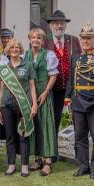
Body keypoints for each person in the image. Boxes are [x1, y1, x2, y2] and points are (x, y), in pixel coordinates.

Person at [65, 22, 94, 179]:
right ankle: (83, 165)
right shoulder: (76, 58)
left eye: (88, 38)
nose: (85, 41)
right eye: (83, 38)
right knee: (80, 135)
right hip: (78, 101)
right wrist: (67, 97)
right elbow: (71, 79)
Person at [0, 39, 37, 177]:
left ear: (20, 50)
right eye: (12, 47)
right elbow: (1, 89)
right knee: (10, 136)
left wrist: (34, 105)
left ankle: (24, 166)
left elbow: (32, 87)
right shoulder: (4, 68)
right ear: (8, 50)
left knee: (24, 135)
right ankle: (11, 164)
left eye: (17, 47)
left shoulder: (28, 65)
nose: (15, 49)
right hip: (7, 105)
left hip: (23, 105)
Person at [26, 28, 58, 175]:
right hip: (30, 95)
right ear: (30, 40)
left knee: (46, 126)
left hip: (43, 93)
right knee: (35, 126)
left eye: (38, 38)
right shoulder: (25, 55)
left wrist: (45, 92)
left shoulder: (48, 55)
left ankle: (48, 162)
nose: (35, 40)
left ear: (43, 40)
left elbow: (53, 75)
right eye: (33, 38)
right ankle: (38, 159)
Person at [45, 10, 83, 136]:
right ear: (51, 25)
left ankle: (79, 152)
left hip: (71, 88)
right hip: (52, 89)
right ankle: (52, 151)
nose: (59, 26)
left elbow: (80, 62)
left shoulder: (73, 40)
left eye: (61, 23)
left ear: (65, 25)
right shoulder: (45, 41)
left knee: (77, 120)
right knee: (53, 120)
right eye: (56, 23)